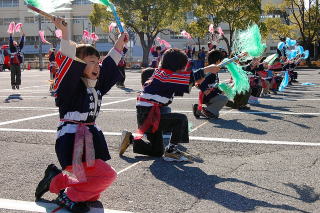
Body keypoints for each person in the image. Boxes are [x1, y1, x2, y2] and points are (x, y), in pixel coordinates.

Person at [35, 17, 128, 213]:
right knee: (106, 175)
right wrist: (66, 34)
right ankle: (68, 195)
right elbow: (68, 61)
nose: (97, 66)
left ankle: (56, 180)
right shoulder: (69, 85)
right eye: (91, 62)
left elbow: (110, 64)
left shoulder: (97, 85)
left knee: (91, 177)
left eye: (97, 62)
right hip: (72, 135)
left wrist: (120, 42)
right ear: (77, 66)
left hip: (89, 134)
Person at [119, 48, 221, 162]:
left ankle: (130, 139)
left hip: (147, 114)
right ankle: (172, 150)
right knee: (180, 120)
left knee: (157, 151)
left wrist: (195, 81)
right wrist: (208, 69)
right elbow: (190, 77)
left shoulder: (163, 75)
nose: (184, 69)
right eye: (183, 66)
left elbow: (183, 86)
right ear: (177, 66)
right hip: (149, 115)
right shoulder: (167, 75)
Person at [192, 50, 228, 119]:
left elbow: (214, 85)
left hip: (211, 95)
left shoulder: (214, 72)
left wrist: (220, 91)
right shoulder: (210, 72)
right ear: (217, 61)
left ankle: (198, 110)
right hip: (207, 96)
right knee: (224, 99)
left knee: (215, 114)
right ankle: (207, 111)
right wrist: (205, 90)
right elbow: (199, 82)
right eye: (221, 61)